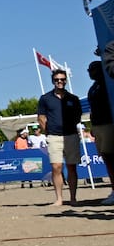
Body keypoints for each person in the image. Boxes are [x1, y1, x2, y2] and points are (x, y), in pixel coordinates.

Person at [38, 69, 83, 206]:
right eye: (57, 79)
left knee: (71, 167)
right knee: (56, 167)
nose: (60, 82)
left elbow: (78, 117)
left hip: (71, 135)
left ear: (66, 80)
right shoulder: (45, 98)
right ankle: (59, 199)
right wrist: (48, 132)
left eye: (62, 79)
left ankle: (73, 198)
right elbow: (41, 117)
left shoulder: (73, 98)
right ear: (53, 81)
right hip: (54, 136)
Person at [85, 60, 114, 205]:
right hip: (97, 126)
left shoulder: (108, 84)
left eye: (94, 69)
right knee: (106, 158)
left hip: (108, 124)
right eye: (89, 70)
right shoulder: (93, 88)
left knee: (111, 157)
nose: (91, 72)